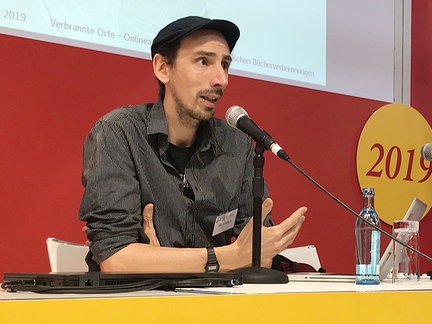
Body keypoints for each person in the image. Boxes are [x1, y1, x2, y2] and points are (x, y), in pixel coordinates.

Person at [78, 16, 306, 273]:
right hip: (133, 306)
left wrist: (156, 260)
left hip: (214, 305)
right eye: (203, 61)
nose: (221, 79)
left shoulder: (238, 147)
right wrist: (229, 257)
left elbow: (259, 257)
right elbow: (116, 260)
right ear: (163, 68)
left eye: (225, 65)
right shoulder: (119, 133)